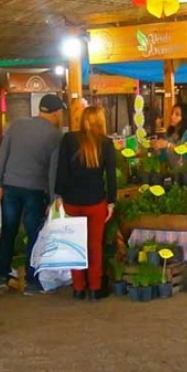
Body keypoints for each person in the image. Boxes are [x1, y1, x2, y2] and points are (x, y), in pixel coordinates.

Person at [0, 94, 64, 295]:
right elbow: (53, 171)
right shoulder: (55, 135)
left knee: (8, 233)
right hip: (35, 189)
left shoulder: (17, 125)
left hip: (10, 187)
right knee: (34, 235)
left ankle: (1, 278)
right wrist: (53, 199)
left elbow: (2, 154)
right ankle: (32, 282)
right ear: (56, 113)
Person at [55, 106, 117, 300]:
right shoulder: (106, 143)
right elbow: (111, 175)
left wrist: (58, 196)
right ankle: (96, 287)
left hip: (72, 201)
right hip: (95, 201)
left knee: (75, 244)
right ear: (100, 121)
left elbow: (61, 170)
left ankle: (78, 288)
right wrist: (111, 202)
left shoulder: (68, 139)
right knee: (94, 245)